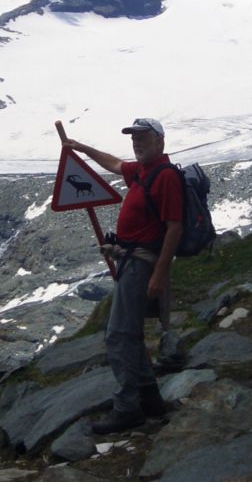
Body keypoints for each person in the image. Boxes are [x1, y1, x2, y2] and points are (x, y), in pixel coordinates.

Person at [64, 117, 183, 434]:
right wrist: (81, 148)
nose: (137, 142)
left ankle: (127, 408)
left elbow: (174, 227)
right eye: (134, 138)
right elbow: (115, 164)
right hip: (131, 260)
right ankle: (150, 400)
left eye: (143, 137)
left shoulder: (165, 176)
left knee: (118, 335)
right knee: (130, 334)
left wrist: (159, 274)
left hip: (142, 264)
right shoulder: (142, 171)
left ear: (159, 141)